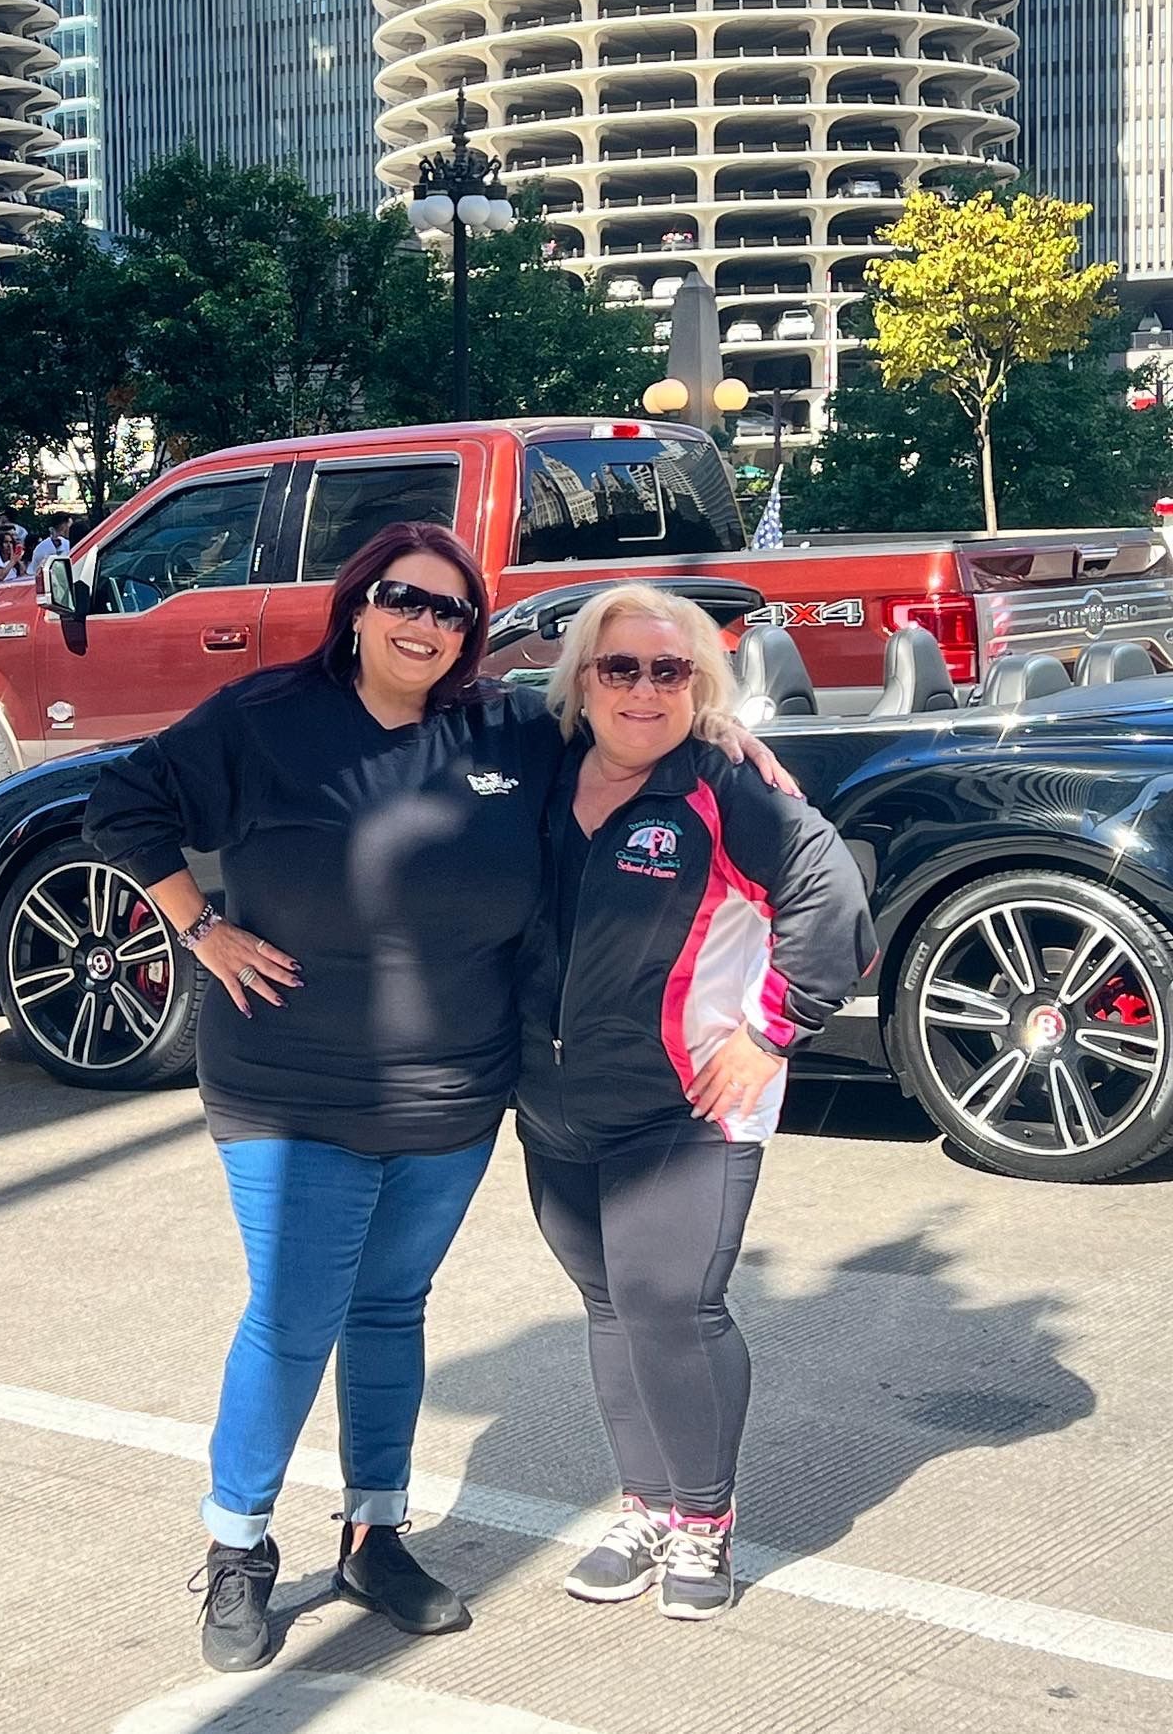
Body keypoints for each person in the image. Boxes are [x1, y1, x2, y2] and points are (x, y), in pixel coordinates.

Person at [83, 526, 791, 1674]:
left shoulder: (508, 726)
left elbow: (636, 721)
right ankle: (237, 1548)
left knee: (389, 1309)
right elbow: (120, 801)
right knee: (295, 1313)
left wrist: (726, 736)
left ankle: (375, 1533)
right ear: (357, 606)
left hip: (455, 1086)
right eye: (404, 599)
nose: (427, 624)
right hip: (290, 1083)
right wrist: (201, 929)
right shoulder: (263, 718)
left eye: (454, 611)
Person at [515, 583, 876, 1625]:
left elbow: (834, 904)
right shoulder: (540, 768)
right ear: (582, 679)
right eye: (619, 667)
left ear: (702, 687)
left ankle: (702, 1523)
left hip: (686, 1111)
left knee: (673, 1305)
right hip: (554, 1103)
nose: (642, 689)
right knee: (610, 1305)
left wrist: (772, 1031)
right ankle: (643, 1506)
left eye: (670, 672)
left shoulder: (725, 788)